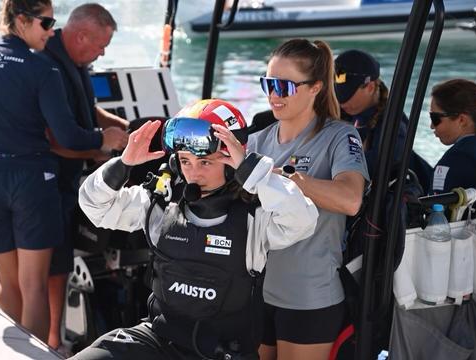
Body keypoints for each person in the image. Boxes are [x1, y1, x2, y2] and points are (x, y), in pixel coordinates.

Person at [0, 0, 125, 343]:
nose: (52, 32)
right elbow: (67, 135)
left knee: (8, 284)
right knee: (33, 285)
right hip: (33, 183)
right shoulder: (42, 69)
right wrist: (104, 138)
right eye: (47, 23)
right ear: (21, 21)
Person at [70, 99, 319, 359]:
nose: (194, 173)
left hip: (222, 352)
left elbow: (303, 220)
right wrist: (124, 164)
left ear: (231, 162)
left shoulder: (257, 214)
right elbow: (95, 207)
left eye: (206, 163)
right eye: (186, 162)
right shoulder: (161, 203)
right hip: (158, 339)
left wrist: (252, 171)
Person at [249, 39, 369, 360]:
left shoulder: (339, 136)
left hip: (309, 296)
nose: (274, 95)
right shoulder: (256, 140)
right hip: (257, 289)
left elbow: (351, 199)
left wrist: (286, 180)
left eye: (284, 86)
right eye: (268, 84)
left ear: (315, 87)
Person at [37, 3, 129, 352]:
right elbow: (60, 136)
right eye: (100, 45)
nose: (103, 52)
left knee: (59, 259)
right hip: (48, 178)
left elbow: (87, 109)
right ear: (80, 35)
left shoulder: (76, 62)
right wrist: (102, 146)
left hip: (71, 177)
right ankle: (52, 341)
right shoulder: (48, 64)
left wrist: (125, 128)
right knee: (53, 263)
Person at [334, 49, 432, 191]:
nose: (341, 102)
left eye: (347, 95)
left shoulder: (394, 125)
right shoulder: (342, 114)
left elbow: (379, 165)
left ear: (370, 87)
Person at [428, 78, 476, 195]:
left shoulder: (456, 158)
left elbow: (437, 208)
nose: (431, 126)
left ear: (462, 120)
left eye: (435, 118)